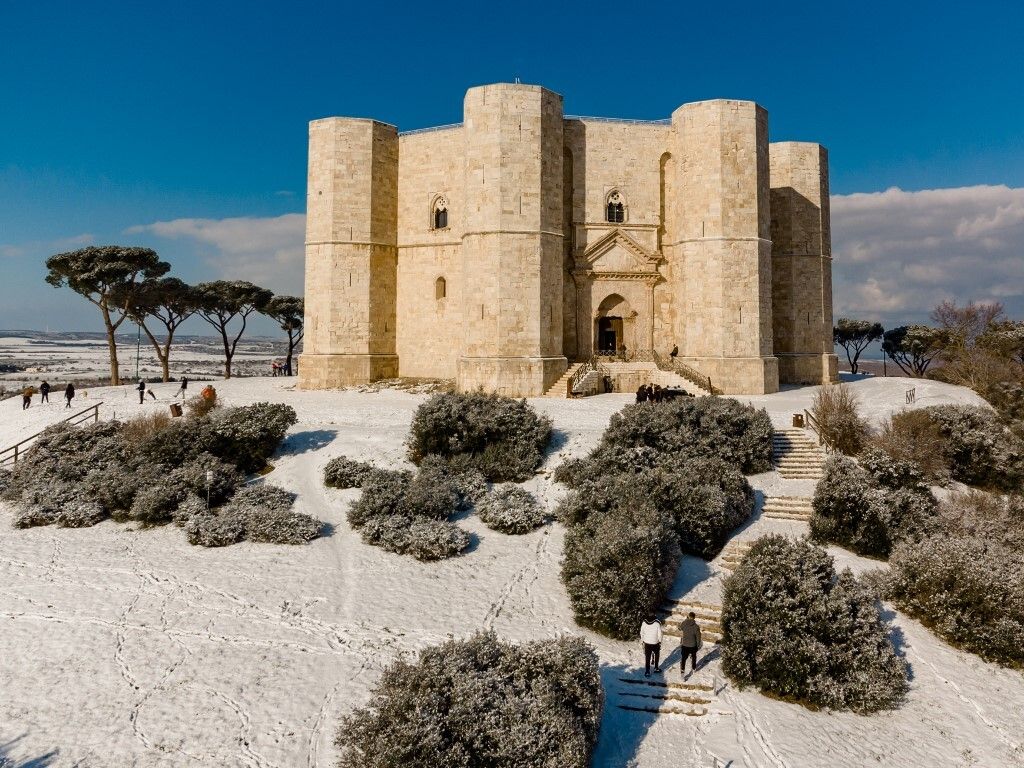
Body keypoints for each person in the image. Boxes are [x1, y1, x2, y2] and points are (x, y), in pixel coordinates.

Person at [679, 611, 703, 678]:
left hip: (685, 644)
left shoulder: (684, 623)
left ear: (688, 616)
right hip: (693, 645)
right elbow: (698, 637)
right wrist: (698, 645)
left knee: (683, 658)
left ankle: (682, 672)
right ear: (694, 618)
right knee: (694, 657)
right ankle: (694, 668)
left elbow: (679, 628)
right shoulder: (696, 626)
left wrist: (685, 620)